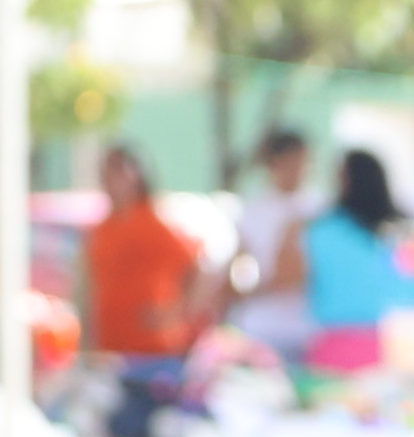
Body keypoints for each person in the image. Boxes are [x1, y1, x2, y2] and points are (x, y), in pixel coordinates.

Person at [82, 136, 209, 406]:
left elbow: (198, 269)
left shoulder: (154, 223)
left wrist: (175, 313)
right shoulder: (102, 229)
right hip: (111, 349)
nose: (111, 179)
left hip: (154, 352)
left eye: (118, 171)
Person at [301, 144, 414, 379]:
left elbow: (299, 280)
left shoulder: (320, 230)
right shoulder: (396, 233)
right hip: (386, 346)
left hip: (333, 343)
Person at [229, 123, 319, 348]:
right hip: (263, 325)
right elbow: (240, 263)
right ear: (273, 164)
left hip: (310, 326)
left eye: (302, 162)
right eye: (289, 163)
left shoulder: (321, 207)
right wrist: (254, 287)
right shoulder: (253, 210)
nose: (297, 169)